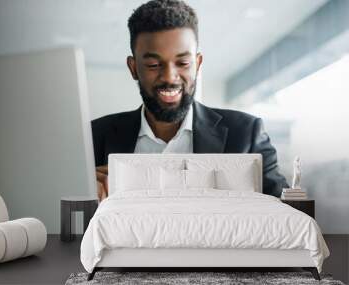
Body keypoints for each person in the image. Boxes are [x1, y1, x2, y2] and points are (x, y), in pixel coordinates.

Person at [93, 0, 288, 201]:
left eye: (183, 63)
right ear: (133, 68)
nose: (169, 77)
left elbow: (290, 216)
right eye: (153, 64)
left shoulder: (247, 134)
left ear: (198, 64)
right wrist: (84, 195)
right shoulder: (94, 138)